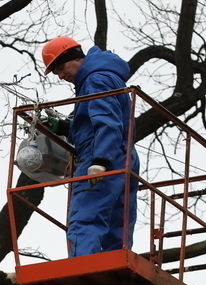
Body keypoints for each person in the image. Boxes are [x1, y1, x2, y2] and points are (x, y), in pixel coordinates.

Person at [41, 36, 140, 256]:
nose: (60, 75)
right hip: (122, 154)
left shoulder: (95, 80)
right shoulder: (104, 77)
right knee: (119, 222)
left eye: (60, 67)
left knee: (85, 217)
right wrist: (65, 127)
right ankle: (114, 270)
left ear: (74, 58)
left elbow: (107, 121)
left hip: (102, 155)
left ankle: (82, 269)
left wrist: (100, 160)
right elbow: (99, 123)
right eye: (56, 72)